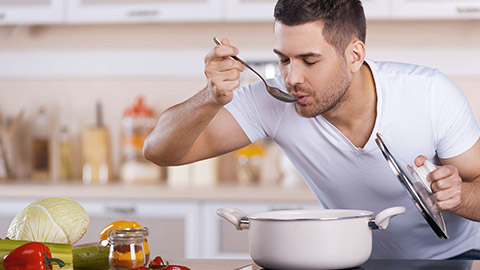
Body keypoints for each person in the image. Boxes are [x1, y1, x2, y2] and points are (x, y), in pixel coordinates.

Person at [143, 0, 480, 260]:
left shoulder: (429, 93)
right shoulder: (272, 100)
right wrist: (210, 97)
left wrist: (460, 196)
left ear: (354, 54)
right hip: (350, 260)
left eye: (309, 60)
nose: (291, 78)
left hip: (456, 259)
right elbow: (158, 151)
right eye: (284, 59)